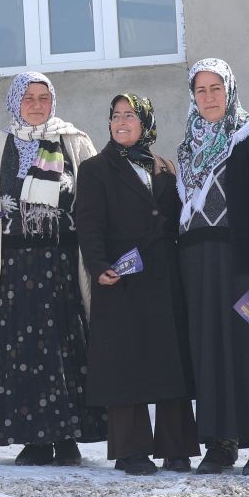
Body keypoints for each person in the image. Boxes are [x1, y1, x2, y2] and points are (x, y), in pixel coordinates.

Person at [0, 71, 102, 466]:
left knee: (67, 347)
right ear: (14, 102)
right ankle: (34, 439)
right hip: (12, 269)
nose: (37, 104)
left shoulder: (74, 142)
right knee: (20, 352)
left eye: (44, 97)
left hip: (62, 265)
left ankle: (69, 437)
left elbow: (95, 198)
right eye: (28, 97)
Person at [174, 58, 249, 476]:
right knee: (210, 352)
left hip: (243, 261)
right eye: (200, 91)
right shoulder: (188, 146)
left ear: (230, 90)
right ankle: (220, 443)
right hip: (198, 265)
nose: (208, 98)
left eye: (215, 89)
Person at [73, 93, 198, 474]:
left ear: (146, 122)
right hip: (120, 279)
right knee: (125, 363)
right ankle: (132, 450)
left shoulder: (164, 167)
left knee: (168, 359)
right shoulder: (96, 169)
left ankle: (176, 447)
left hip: (163, 276)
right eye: (115, 116)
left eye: (130, 115)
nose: (122, 122)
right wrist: (98, 266)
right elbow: (88, 223)